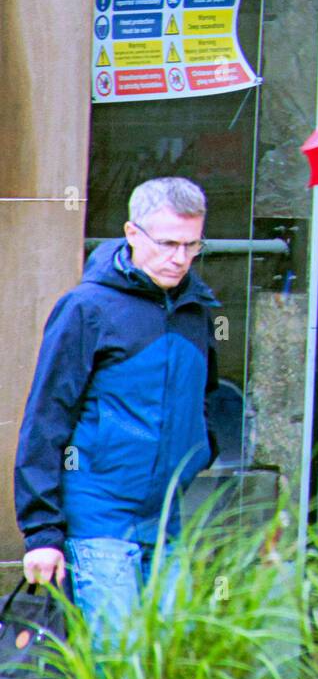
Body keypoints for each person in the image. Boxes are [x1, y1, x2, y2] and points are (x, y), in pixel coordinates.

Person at [15, 177, 219, 645]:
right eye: (168, 243)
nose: (181, 258)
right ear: (131, 234)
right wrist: (42, 532)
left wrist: (200, 449)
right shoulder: (86, 308)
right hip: (99, 514)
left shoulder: (198, 310)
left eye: (192, 245)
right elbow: (46, 418)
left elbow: (204, 394)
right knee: (118, 660)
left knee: (166, 668)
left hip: (167, 516)